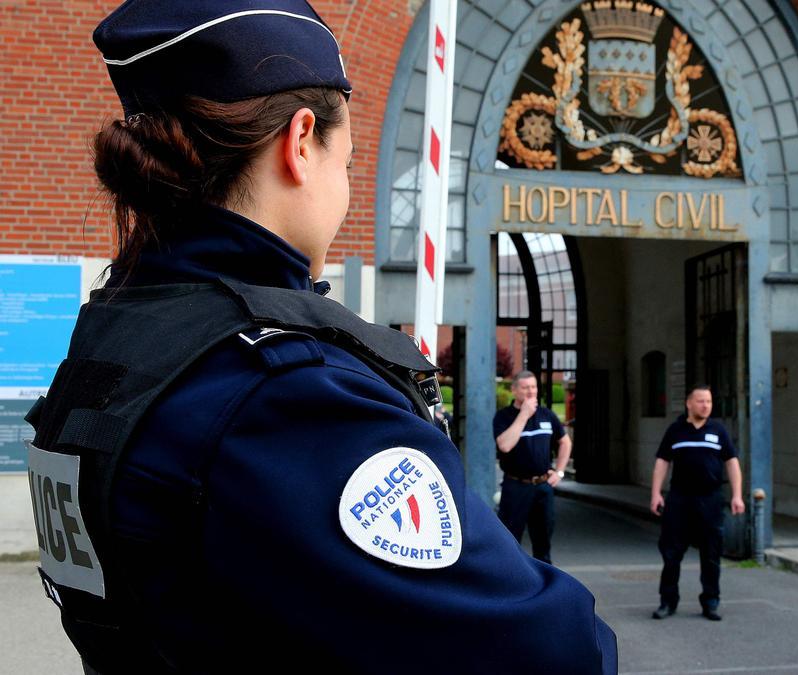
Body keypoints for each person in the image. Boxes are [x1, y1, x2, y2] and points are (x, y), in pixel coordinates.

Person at [23, 2, 616, 672]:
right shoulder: (286, 396)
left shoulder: (118, 339)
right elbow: (548, 650)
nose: (347, 190)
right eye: (350, 162)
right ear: (301, 142)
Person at [649, 384, 744, 621]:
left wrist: (737, 495)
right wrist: (656, 493)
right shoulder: (676, 430)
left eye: (709, 402)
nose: (706, 406)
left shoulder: (718, 431)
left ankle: (710, 601)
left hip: (710, 499)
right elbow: (662, 462)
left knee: (711, 553)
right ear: (689, 403)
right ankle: (667, 602)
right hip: (680, 499)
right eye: (701, 401)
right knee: (672, 553)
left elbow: (732, 462)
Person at [493, 371, 572, 564]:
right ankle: (512, 586)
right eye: (525, 387)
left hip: (543, 487)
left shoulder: (547, 415)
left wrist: (560, 471)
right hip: (516, 487)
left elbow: (565, 442)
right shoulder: (504, 417)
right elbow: (505, 445)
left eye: (534, 387)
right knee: (510, 542)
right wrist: (524, 414)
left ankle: (545, 588)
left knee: (543, 544)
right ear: (514, 390)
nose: (531, 391)